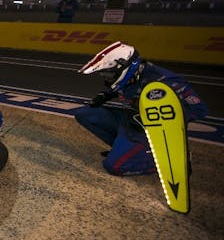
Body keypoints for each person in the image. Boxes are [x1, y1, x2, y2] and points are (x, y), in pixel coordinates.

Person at [75, 41, 208, 176]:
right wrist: (104, 95)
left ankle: (176, 158)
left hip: (147, 130)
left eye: (108, 75)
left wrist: (160, 113)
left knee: (115, 167)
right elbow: (118, 87)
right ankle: (127, 150)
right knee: (84, 113)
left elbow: (199, 110)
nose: (106, 78)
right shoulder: (131, 75)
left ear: (125, 67)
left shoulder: (166, 82)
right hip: (130, 120)